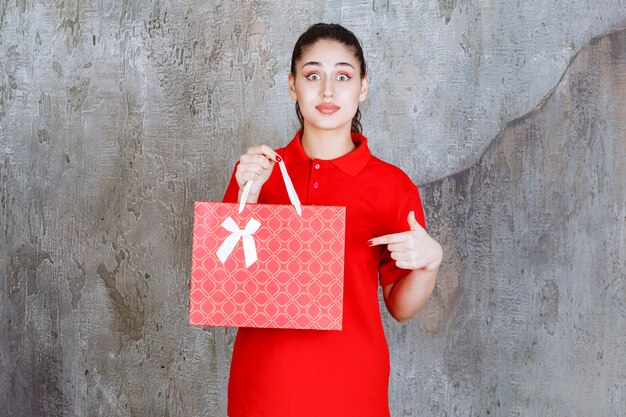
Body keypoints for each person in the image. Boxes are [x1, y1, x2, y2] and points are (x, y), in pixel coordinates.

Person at [222, 23, 443, 417]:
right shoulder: (256, 173)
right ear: (292, 86)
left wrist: (430, 264)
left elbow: (400, 305)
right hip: (263, 391)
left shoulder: (392, 187)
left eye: (342, 76)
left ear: (362, 87)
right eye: (312, 76)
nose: (327, 91)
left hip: (354, 393)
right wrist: (248, 199)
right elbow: (227, 290)